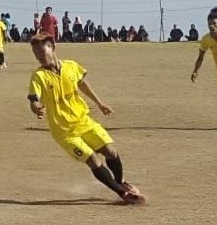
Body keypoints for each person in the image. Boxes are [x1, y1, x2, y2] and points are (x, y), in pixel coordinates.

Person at [26, 32, 145, 204]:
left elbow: (81, 84)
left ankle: (119, 182)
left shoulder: (71, 66)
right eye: (35, 53)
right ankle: (122, 193)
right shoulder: (38, 76)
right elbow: (33, 99)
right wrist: (36, 108)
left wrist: (100, 103)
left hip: (83, 121)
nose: (39, 56)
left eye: (41, 51)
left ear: (52, 47)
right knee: (93, 160)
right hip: (64, 132)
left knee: (110, 151)